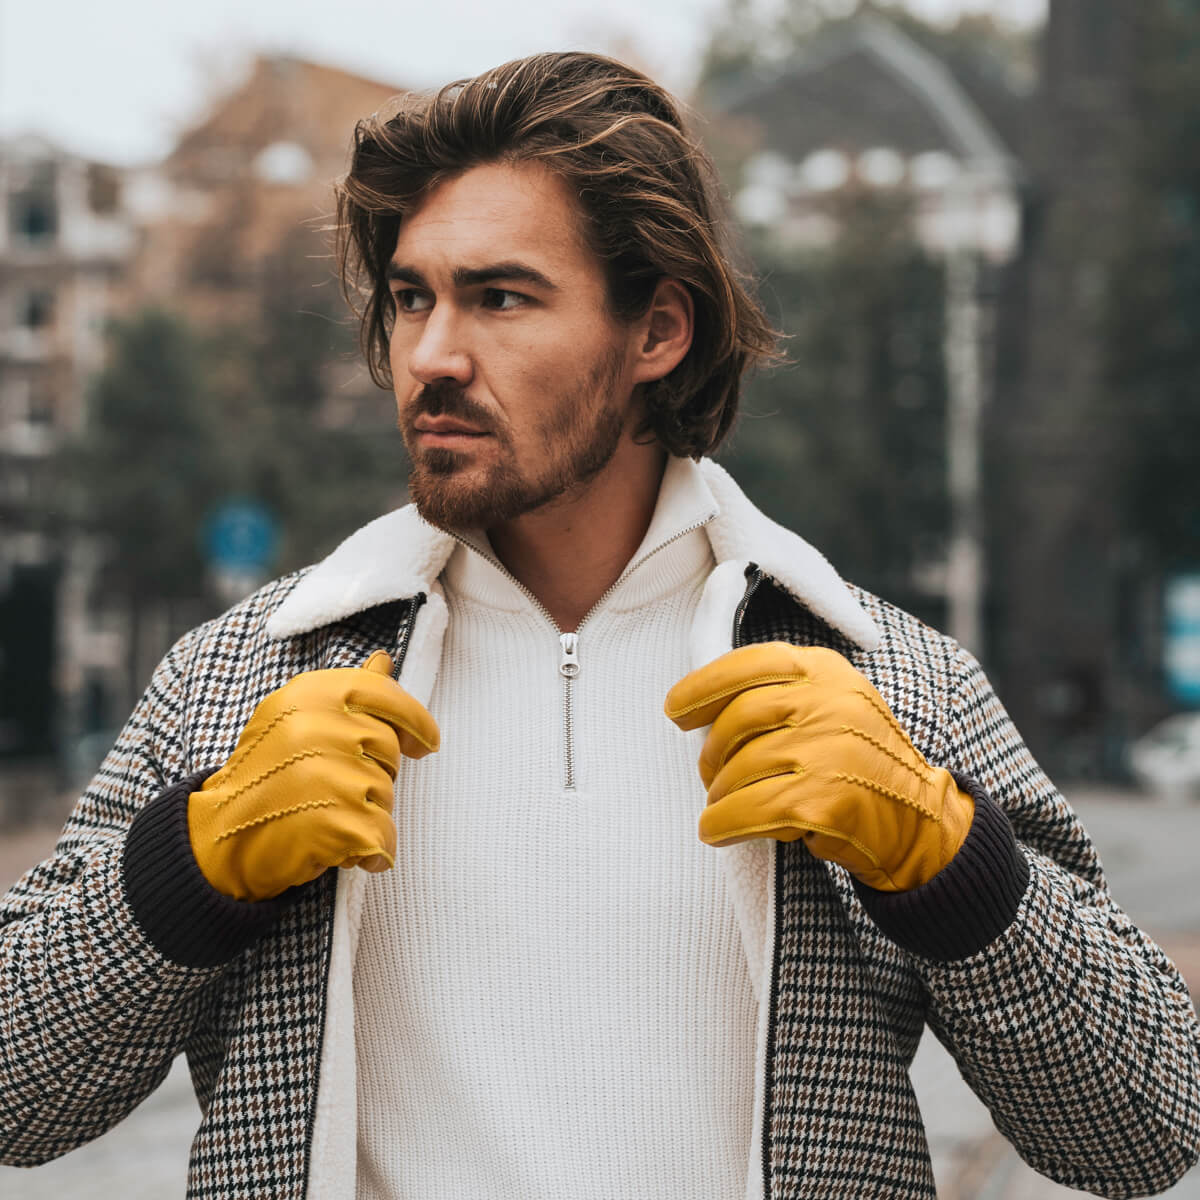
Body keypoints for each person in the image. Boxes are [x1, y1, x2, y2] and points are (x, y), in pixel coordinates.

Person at [1, 51, 1197, 1200]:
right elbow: (18, 1095)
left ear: (657, 333)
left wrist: (948, 861)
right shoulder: (241, 682)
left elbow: (1143, 1128)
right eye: (412, 297)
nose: (431, 355)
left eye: (501, 298)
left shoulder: (881, 680)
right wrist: (184, 869)